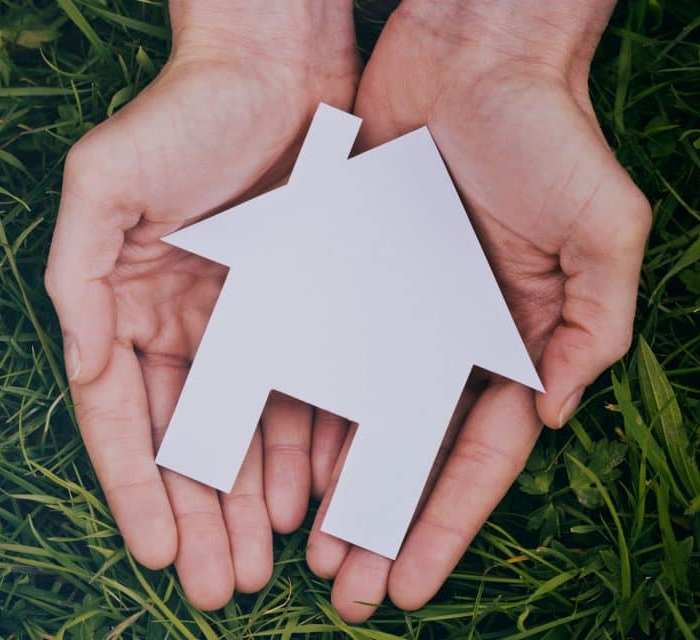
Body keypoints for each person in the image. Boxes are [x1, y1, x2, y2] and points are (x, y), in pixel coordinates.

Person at [44, 0, 650, 624]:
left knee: (330, 414)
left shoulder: (402, 262)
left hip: (398, 300)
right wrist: (252, 35)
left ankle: (354, 489)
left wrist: (505, 35)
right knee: (249, 392)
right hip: (364, 287)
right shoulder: (327, 242)